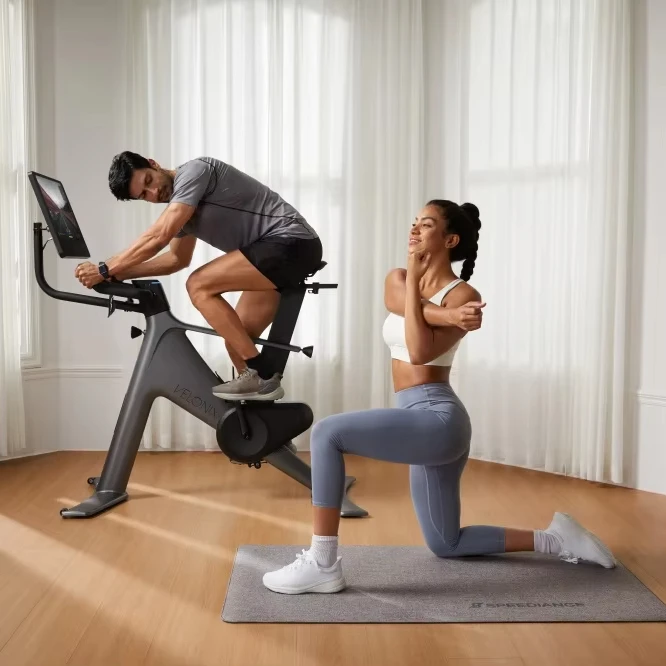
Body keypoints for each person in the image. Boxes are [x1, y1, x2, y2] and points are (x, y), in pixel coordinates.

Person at [262, 199, 616, 595]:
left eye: (425, 225)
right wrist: (448, 315)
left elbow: (419, 351)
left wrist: (429, 295)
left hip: (437, 419)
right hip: (415, 418)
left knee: (327, 433)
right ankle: (557, 538)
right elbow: (399, 302)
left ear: (449, 239)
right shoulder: (400, 278)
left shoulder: (464, 292)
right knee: (446, 543)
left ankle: (323, 563)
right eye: (414, 222)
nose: (413, 230)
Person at [74, 152, 323, 401]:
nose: (152, 194)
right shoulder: (182, 210)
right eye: (143, 195)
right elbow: (175, 260)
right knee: (237, 339)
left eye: (149, 181)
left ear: (153, 164)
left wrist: (105, 269)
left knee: (198, 284)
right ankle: (265, 431)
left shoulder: (194, 172)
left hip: (291, 242)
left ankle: (263, 374)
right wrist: (119, 274)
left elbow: (158, 236)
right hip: (273, 254)